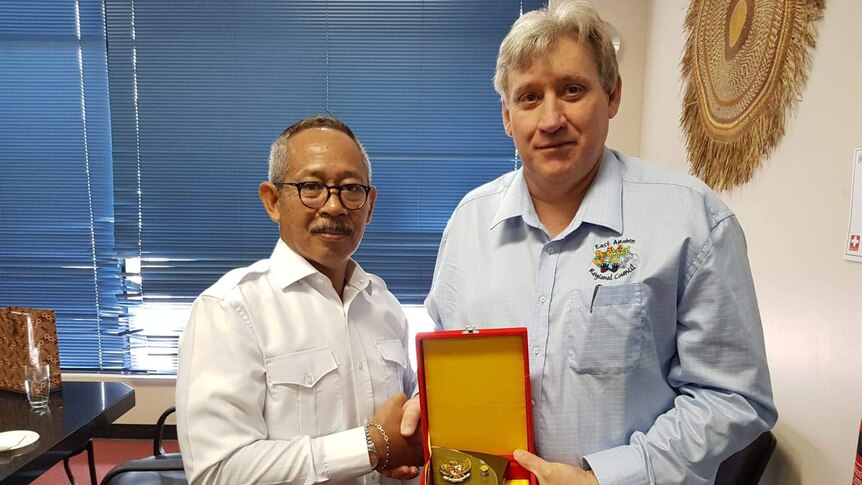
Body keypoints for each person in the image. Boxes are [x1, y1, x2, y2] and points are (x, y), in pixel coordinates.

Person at [394, 2, 778, 484]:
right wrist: (430, 404)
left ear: (612, 96)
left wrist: (606, 478)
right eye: (529, 98)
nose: (551, 118)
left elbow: (735, 398)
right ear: (507, 118)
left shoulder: (692, 219)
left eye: (572, 90)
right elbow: (452, 357)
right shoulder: (469, 222)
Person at [176, 115, 423, 485]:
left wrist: (409, 431)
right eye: (312, 187)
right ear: (273, 201)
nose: (335, 207)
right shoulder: (231, 309)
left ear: (370, 206)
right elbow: (217, 471)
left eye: (351, 189)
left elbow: (400, 415)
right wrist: (370, 446)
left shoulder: (383, 303)